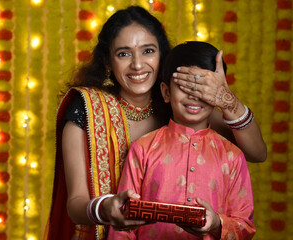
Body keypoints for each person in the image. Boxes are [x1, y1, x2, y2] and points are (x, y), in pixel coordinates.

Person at [44, 6, 265, 240]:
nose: (138, 65)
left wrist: (226, 99)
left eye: (148, 51)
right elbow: (76, 204)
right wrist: (106, 208)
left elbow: (257, 152)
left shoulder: (182, 105)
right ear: (108, 62)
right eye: (123, 54)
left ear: (162, 56)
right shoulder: (88, 109)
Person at [108, 41, 256, 240]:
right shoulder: (143, 149)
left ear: (218, 94)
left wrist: (216, 224)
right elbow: (122, 224)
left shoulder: (233, 156)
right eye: (184, 87)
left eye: (203, 89)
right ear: (166, 92)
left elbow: (245, 226)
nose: (194, 96)